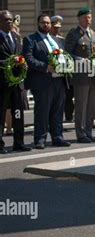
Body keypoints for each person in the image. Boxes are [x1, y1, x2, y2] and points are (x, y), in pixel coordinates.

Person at [23, 14, 70, 149]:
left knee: (57, 111)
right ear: (38, 24)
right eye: (43, 23)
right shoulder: (31, 39)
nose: (46, 25)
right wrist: (46, 67)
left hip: (59, 80)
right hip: (42, 81)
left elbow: (65, 57)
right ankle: (40, 139)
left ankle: (57, 137)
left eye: (48, 23)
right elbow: (28, 58)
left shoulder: (58, 41)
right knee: (42, 111)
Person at [65, 8, 95, 143]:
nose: (88, 20)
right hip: (81, 74)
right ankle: (80, 133)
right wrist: (79, 59)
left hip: (93, 74)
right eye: (86, 17)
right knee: (81, 104)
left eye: (90, 17)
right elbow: (67, 53)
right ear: (79, 19)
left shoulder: (94, 34)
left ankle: (89, 132)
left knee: (91, 105)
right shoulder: (74, 34)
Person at [0, 10, 31, 153]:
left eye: (11, 20)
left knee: (18, 113)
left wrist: (23, 63)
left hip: (17, 83)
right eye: (6, 20)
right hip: (3, 82)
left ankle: (19, 142)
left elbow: (21, 56)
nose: (9, 22)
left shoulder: (17, 37)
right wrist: (11, 62)